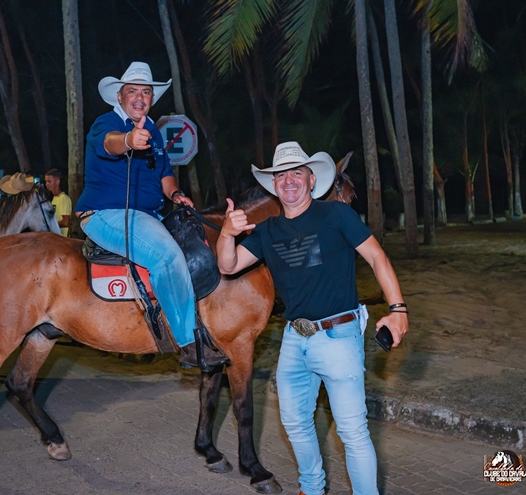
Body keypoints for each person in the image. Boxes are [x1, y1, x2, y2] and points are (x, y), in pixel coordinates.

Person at [217, 141, 409, 495]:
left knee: (352, 432)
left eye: (296, 172)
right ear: (274, 185)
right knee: (295, 423)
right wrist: (227, 234)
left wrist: (397, 309)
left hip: (339, 336)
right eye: (281, 175)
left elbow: (377, 258)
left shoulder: (336, 215)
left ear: (311, 179)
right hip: (294, 339)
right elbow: (228, 266)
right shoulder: (267, 231)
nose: (289, 180)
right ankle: (312, 488)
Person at [75, 61, 227, 371]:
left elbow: (165, 175)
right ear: (120, 96)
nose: (140, 97)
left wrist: (175, 194)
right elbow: (110, 144)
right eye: (133, 91)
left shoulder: (155, 132)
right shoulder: (105, 123)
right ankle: (189, 344)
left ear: (152, 98)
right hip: (106, 214)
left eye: (146, 92)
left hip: (149, 215)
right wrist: (129, 140)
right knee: (167, 257)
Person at [44, 169, 72, 237]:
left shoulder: (63, 198)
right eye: (46, 181)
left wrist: (49, 224)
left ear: (57, 182)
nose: (46, 184)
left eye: (49, 181)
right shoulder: (54, 198)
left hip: (62, 238)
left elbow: (66, 222)